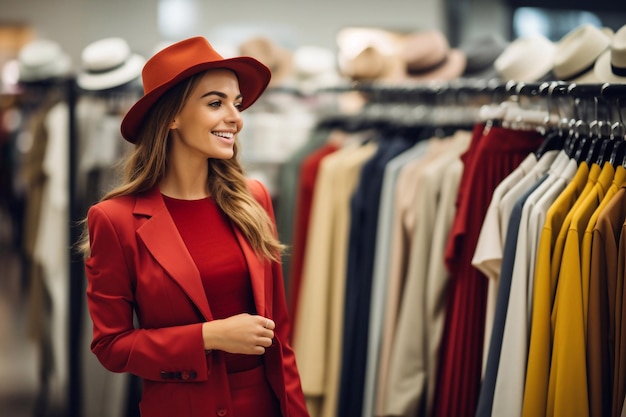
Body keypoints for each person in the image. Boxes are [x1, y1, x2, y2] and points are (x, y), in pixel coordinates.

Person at [78, 36, 310, 417]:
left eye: (236, 104)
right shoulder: (115, 219)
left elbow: (279, 333)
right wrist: (209, 336)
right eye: (215, 103)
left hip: (266, 404)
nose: (235, 117)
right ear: (171, 116)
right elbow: (111, 346)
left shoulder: (253, 199)